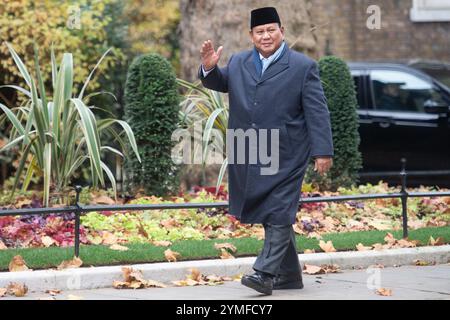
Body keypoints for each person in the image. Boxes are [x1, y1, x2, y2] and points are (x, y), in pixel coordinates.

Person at [198, 7, 334, 295]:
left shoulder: (302, 66)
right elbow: (221, 82)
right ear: (251, 36)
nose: (266, 35)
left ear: (282, 31)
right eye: (260, 31)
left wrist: (323, 151)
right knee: (269, 209)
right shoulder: (239, 61)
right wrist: (209, 69)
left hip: (289, 151)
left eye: (271, 29)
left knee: (278, 209)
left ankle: (264, 273)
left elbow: (317, 112)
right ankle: (290, 276)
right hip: (251, 148)